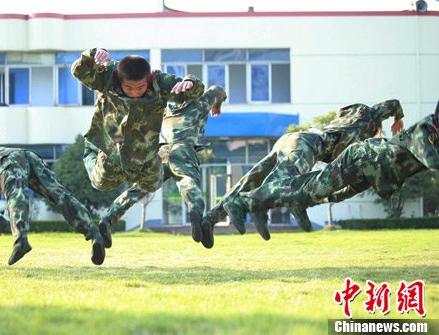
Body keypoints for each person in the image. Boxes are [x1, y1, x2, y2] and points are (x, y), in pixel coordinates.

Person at [201, 99, 405, 248]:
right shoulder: (367, 116)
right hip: (308, 144)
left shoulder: (345, 124)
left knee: (252, 179)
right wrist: (398, 120)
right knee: (287, 179)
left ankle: (210, 218)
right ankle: (257, 205)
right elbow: (393, 103)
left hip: (294, 140)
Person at [241, 100, 439, 218]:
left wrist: (398, 118)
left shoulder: (359, 121)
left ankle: (267, 200)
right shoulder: (424, 129)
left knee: (330, 194)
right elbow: (431, 159)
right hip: (362, 158)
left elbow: (394, 105)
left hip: (374, 171)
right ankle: (247, 201)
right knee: (309, 190)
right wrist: (396, 118)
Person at [97, 85, 227, 246]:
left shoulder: (165, 107)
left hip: (162, 151)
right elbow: (218, 89)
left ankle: (108, 219)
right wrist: (217, 105)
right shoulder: (199, 103)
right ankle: (195, 214)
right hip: (183, 150)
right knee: (188, 182)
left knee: (138, 189)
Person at [0, 145, 105, 266]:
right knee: (61, 195)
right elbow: (8, 163)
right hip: (29, 157)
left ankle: (21, 241)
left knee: (15, 198)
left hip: (10, 161)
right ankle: (93, 233)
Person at [71, 48, 205, 195]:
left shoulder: (160, 82)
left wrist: (190, 83)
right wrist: (93, 55)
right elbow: (79, 71)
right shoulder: (108, 75)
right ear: (119, 79)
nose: (135, 93)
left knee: (152, 186)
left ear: (148, 80)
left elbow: (193, 93)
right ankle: (92, 151)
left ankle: (162, 156)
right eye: (129, 88)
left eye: (141, 87)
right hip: (111, 149)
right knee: (102, 184)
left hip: (145, 153)